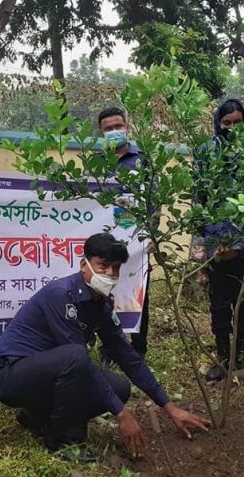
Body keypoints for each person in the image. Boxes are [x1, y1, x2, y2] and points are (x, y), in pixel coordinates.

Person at [0, 233, 210, 461]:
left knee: (118, 387)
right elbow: (77, 359)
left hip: (45, 374)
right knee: (76, 357)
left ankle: (37, 416)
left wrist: (169, 407)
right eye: (103, 266)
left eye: (116, 268)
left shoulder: (101, 305)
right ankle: (66, 443)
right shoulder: (61, 295)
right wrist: (122, 414)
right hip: (11, 375)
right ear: (85, 265)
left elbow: (128, 357)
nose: (110, 274)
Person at [193, 99, 244, 381]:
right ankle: (222, 357)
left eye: (238, 123)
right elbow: (200, 201)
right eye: (227, 123)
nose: (232, 128)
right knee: (219, 303)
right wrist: (206, 245)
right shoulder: (205, 153)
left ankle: (242, 355)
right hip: (216, 247)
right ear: (218, 123)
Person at [97, 107, 151, 358]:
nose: (114, 132)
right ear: (101, 132)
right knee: (104, 292)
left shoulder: (143, 160)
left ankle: (138, 350)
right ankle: (110, 347)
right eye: (108, 129)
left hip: (136, 238)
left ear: (127, 127)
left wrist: (152, 234)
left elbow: (153, 199)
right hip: (106, 240)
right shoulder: (96, 163)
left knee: (139, 292)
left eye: (118, 126)